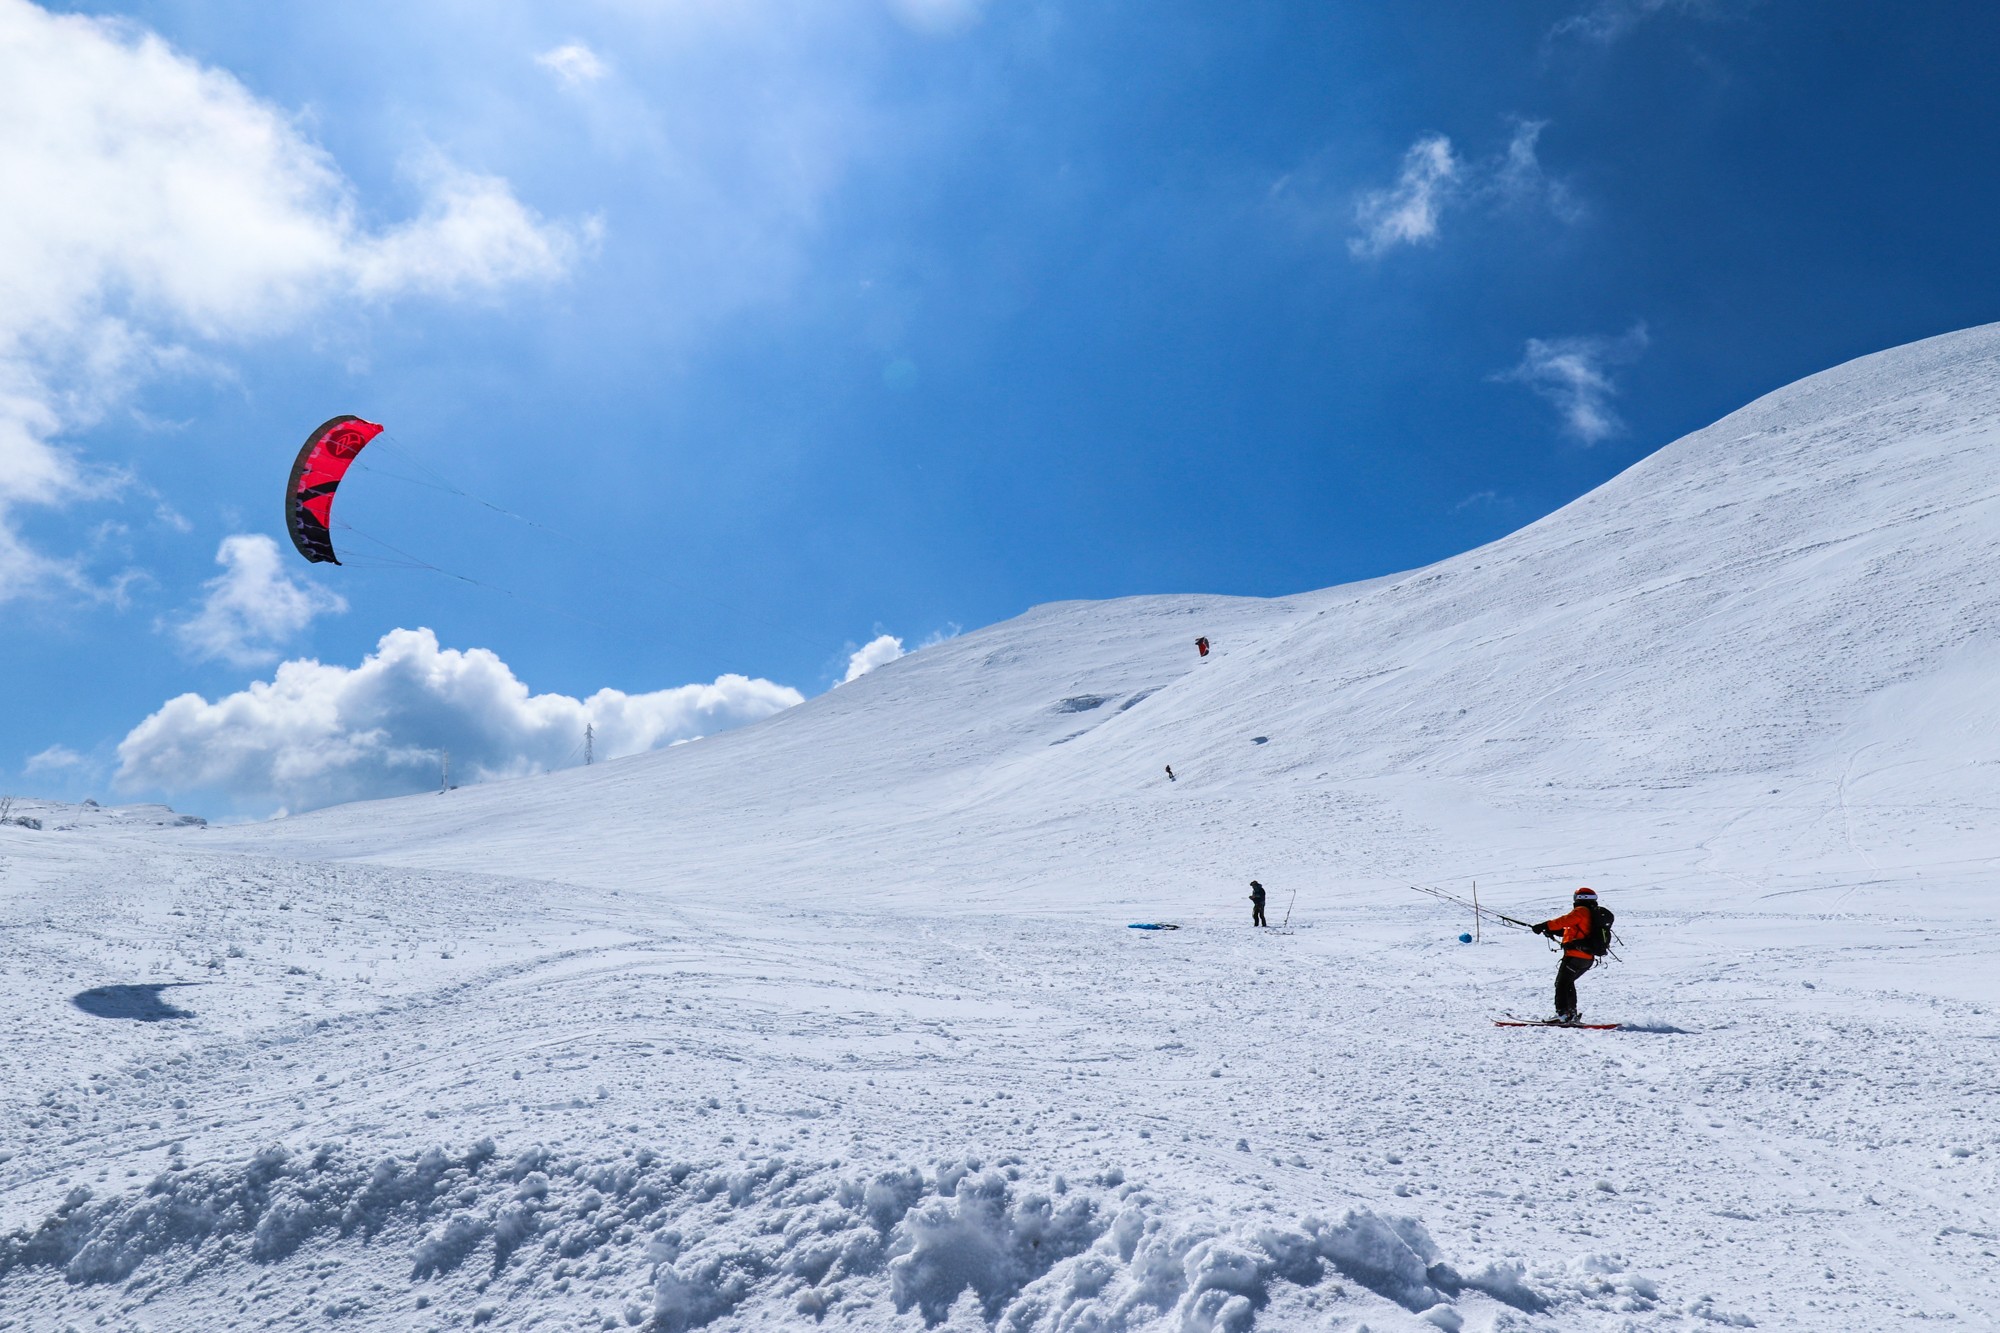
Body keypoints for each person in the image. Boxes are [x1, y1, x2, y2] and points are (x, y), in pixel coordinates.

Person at [1533, 887, 1607, 1023]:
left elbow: (1564, 921)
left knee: (1561, 983)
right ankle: (1571, 1013)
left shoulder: (1581, 911)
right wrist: (1553, 931)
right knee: (1567, 983)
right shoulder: (1591, 913)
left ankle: (1562, 1015)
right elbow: (1572, 929)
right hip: (1586, 958)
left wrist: (1545, 925)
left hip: (1575, 956)